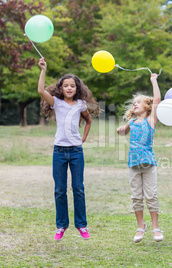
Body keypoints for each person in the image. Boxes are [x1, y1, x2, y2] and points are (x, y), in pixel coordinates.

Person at [37, 58, 100, 241]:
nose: (70, 88)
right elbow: (41, 90)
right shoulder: (56, 102)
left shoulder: (81, 104)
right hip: (59, 152)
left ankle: (81, 225)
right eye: (66, 86)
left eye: (72, 85)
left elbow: (88, 120)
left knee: (78, 188)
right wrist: (43, 70)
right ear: (61, 88)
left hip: (76, 152)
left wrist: (84, 137)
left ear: (77, 88)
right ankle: (61, 226)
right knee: (59, 190)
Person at [116, 73, 163, 243]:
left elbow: (157, 99)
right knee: (136, 197)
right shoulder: (132, 122)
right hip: (133, 164)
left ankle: (155, 227)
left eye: (138, 102)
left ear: (147, 106)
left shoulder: (151, 120)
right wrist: (121, 130)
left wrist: (153, 80)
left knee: (151, 195)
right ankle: (140, 226)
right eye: (133, 103)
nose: (134, 104)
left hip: (148, 164)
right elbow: (124, 132)